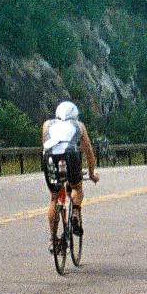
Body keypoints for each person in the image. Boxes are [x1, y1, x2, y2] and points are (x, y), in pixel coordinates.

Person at [41, 101, 99, 240]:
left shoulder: (47, 125)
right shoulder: (79, 126)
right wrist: (91, 174)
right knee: (77, 187)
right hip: (70, 155)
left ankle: (53, 239)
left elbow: (45, 146)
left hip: (50, 157)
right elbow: (89, 154)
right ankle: (75, 212)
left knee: (54, 198)